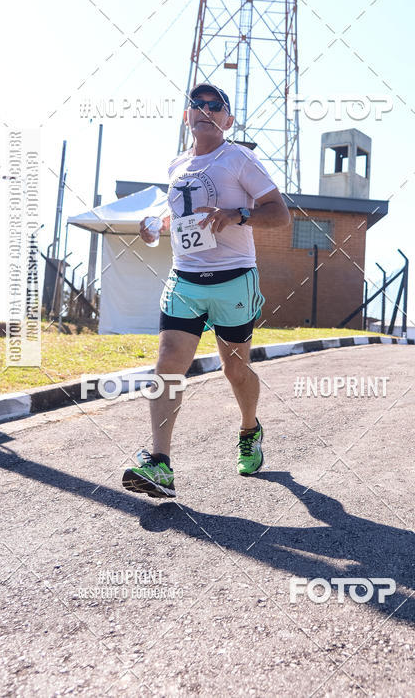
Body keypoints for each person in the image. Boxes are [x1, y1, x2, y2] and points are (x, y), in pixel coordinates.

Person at [122, 82, 290, 498]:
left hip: (234, 278)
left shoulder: (239, 159)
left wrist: (238, 214)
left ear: (228, 120)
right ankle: (160, 463)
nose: (205, 110)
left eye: (216, 106)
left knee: (234, 369)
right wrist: (154, 227)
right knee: (168, 364)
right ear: (187, 117)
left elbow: (280, 214)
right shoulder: (176, 166)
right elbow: (176, 216)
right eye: (197, 104)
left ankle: (250, 429)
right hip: (185, 280)